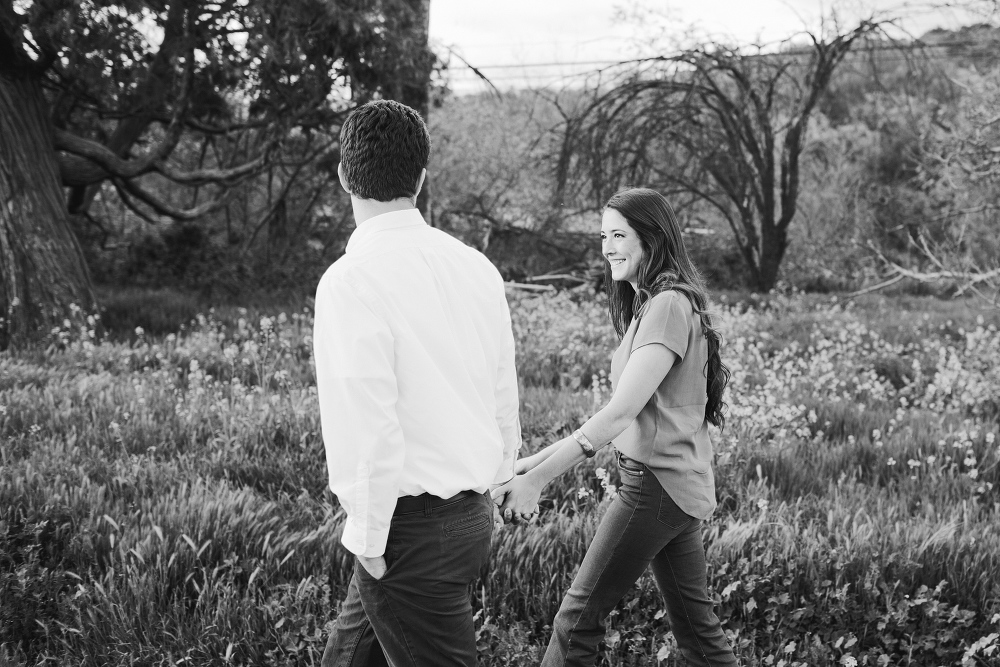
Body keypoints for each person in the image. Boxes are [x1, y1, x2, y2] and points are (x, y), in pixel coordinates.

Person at [313, 99, 521, 667]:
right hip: (468, 516)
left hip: (405, 533)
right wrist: (500, 479)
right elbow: (504, 387)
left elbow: (366, 422)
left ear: (342, 175)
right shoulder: (476, 267)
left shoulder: (349, 280)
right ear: (422, 178)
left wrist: (370, 534)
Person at [493, 187, 738, 667]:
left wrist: (537, 481)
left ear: (651, 237)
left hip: (655, 486)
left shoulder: (667, 305)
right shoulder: (657, 302)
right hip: (678, 484)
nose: (607, 247)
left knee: (577, 618)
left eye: (619, 235)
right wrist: (524, 464)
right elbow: (625, 413)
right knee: (698, 636)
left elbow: (620, 415)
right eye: (603, 235)